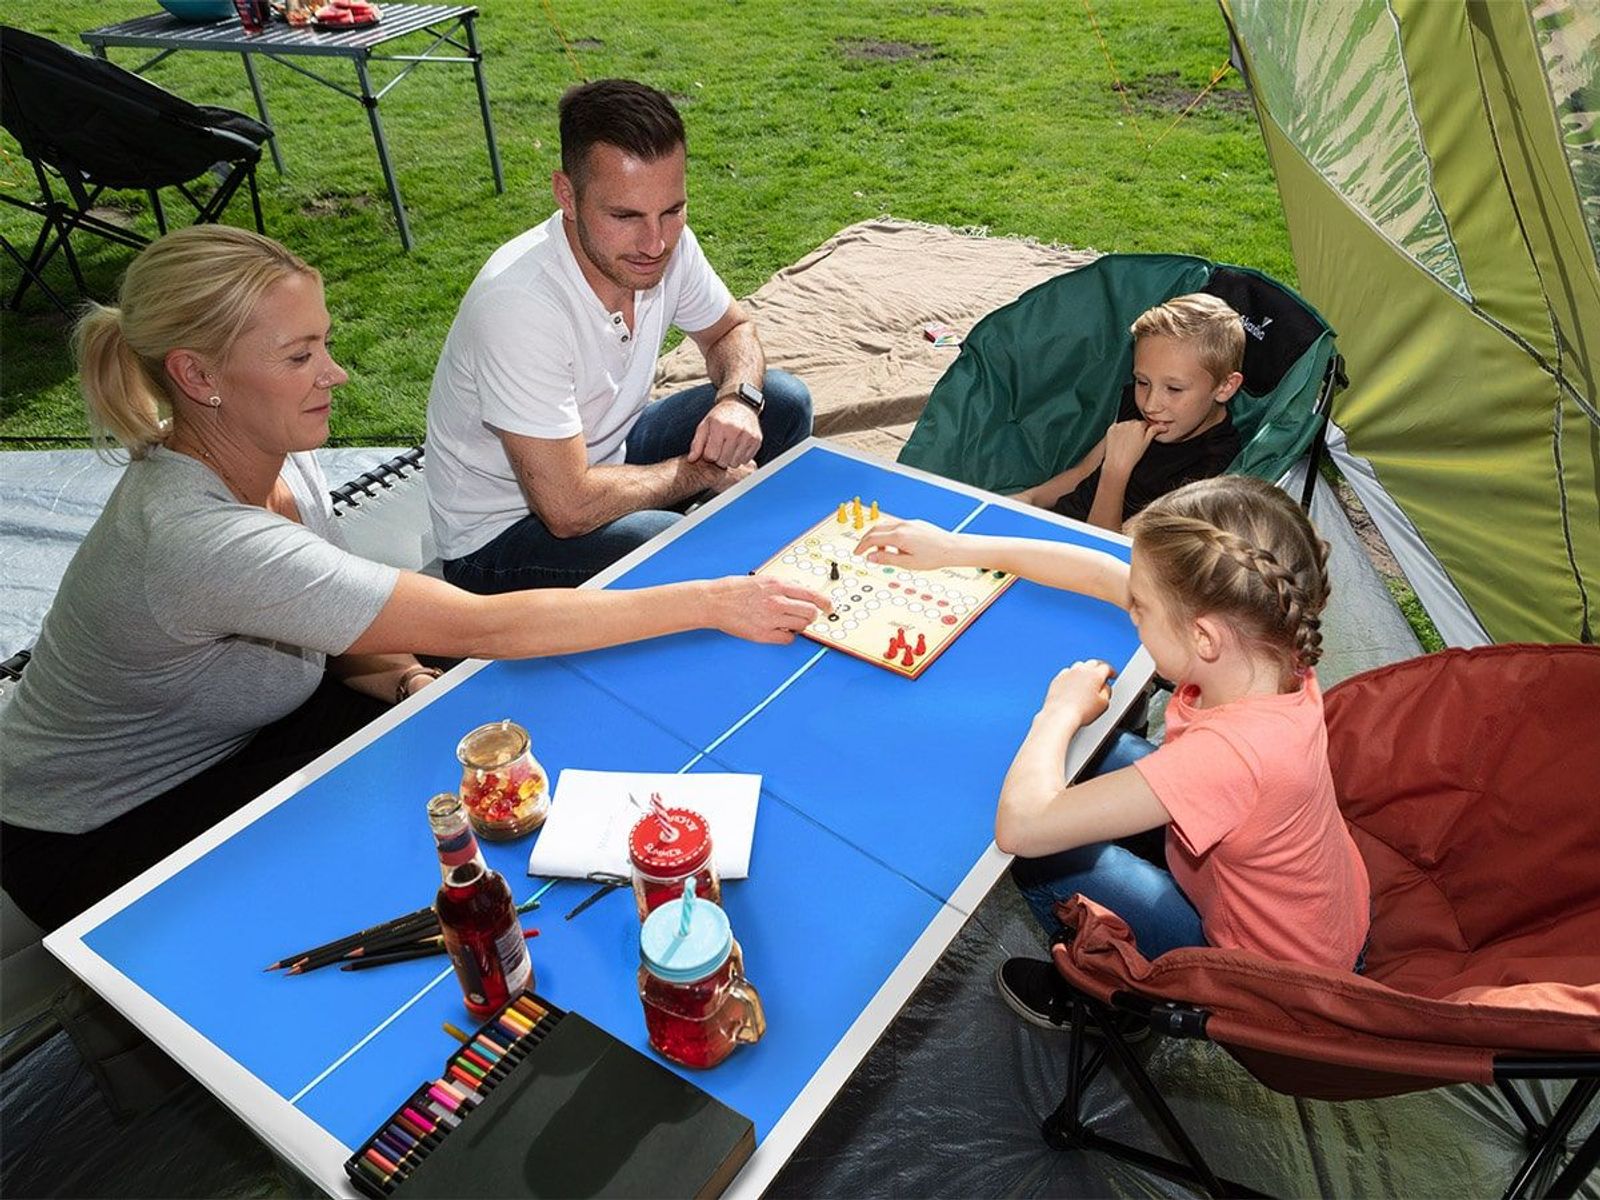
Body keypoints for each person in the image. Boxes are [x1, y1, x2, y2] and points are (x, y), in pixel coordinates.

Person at [0, 226, 826, 931]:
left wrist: (397, 677)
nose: (336, 373)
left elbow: (323, 627)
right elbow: (486, 625)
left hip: (230, 725)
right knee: (415, 856)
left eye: (323, 341)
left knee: (452, 767)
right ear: (198, 377)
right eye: (299, 354)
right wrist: (721, 600)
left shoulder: (278, 451)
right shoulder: (194, 538)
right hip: (96, 830)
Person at [854, 475, 1370, 1031]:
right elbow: (1104, 575)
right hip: (1320, 920)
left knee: (1042, 853)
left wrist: (1059, 711)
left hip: (1270, 984)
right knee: (1098, 756)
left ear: (1204, 638)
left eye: (1141, 608)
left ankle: (1114, 996)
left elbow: (1022, 827)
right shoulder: (1277, 645)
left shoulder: (1229, 756)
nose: (1130, 612)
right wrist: (958, 549)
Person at [425, 78, 813, 593]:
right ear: (567, 194)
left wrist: (739, 399)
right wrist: (704, 473)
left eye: (672, 210)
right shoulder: (519, 304)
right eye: (625, 216)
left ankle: (727, 563)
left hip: (609, 456)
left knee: (781, 401)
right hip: (500, 537)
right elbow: (566, 508)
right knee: (668, 542)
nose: (655, 242)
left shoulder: (664, 246)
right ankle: (715, 563)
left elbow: (732, 330)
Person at [1013, 293, 1245, 532]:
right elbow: (1083, 472)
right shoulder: (1137, 407)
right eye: (1142, 382)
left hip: (1094, 555)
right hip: (1058, 525)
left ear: (1225, 387)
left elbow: (1113, 552)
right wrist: (1029, 499)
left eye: (1174, 388)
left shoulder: (1214, 466)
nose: (1150, 405)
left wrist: (1116, 471)